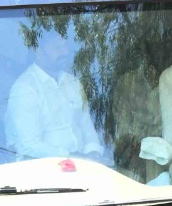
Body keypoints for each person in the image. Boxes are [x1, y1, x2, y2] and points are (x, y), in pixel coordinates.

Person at [6, 28, 104, 161]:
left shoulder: (73, 82)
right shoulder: (24, 88)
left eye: (65, 46)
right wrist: (73, 157)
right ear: (38, 52)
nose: (65, 52)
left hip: (82, 166)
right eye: (57, 47)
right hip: (43, 172)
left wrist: (94, 152)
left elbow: (86, 126)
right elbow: (28, 147)